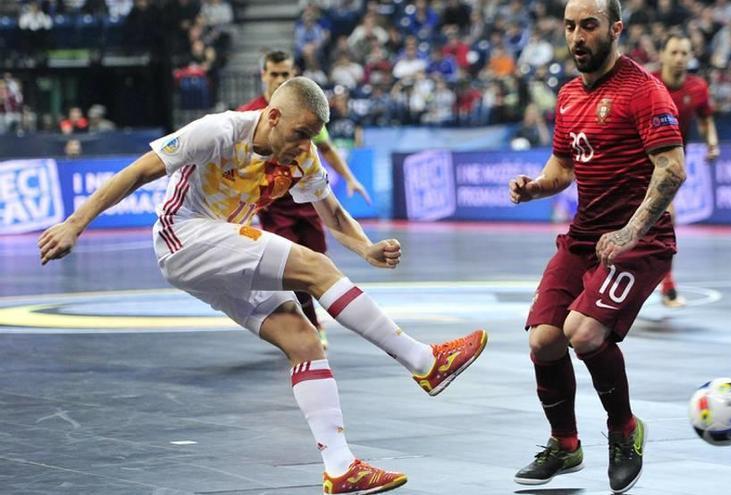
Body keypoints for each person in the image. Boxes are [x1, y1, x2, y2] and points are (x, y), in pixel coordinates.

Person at [38, 77, 488, 495]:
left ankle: (339, 467)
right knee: (314, 267)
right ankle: (424, 360)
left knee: (304, 339)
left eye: (312, 136)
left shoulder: (302, 156)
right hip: (185, 235)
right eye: (299, 133)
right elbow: (137, 172)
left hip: (222, 246)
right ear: (273, 116)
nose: (304, 146)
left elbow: (331, 214)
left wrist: (366, 249)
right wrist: (74, 224)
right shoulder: (217, 131)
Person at [508, 1, 685, 493]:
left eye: (588, 25)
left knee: (583, 333)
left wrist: (630, 232)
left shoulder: (645, 92)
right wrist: (535, 188)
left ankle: (625, 430)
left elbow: (672, 170)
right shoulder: (566, 96)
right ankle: (565, 446)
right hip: (586, 237)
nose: (577, 36)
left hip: (640, 241)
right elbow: (563, 169)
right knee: (543, 340)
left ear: (615, 29)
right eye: (569, 27)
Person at [238, 50, 371, 349]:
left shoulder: (305, 112)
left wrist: (349, 178)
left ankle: (307, 324)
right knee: (291, 270)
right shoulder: (248, 115)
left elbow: (326, 149)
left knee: (317, 263)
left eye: (286, 74)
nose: (280, 79)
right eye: (274, 74)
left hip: (308, 202)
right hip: (273, 207)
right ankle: (308, 326)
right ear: (263, 75)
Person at [653, 33, 719, 307]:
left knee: (661, 221)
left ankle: (663, 284)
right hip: (642, 158)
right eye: (674, 53)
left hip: (673, 163)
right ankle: (666, 287)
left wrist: (712, 144)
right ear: (663, 56)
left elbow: (706, 120)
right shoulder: (650, 84)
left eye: (684, 53)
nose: (679, 58)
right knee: (665, 217)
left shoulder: (698, 88)